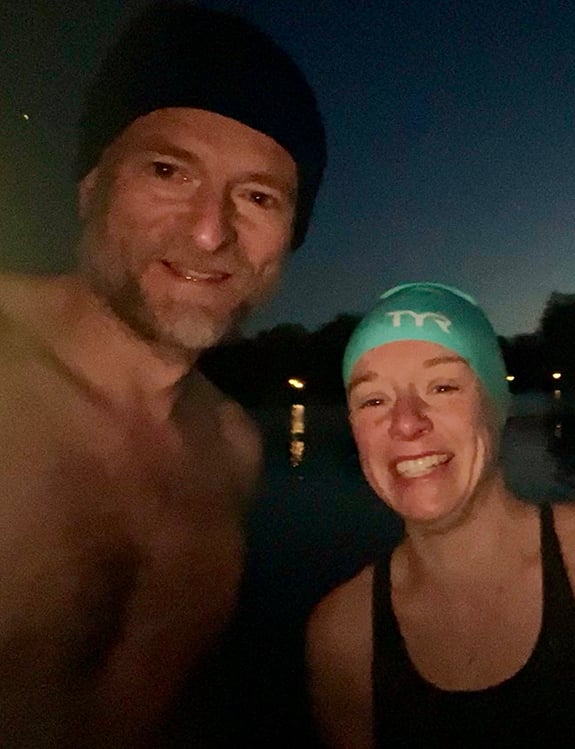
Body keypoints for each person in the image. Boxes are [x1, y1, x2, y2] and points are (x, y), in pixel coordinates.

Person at [0, 2, 326, 746]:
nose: (211, 230)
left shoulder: (234, 445)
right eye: (169, 170)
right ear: (92, 188)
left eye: (258, 196)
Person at [307, 283, 575, 748]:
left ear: (494, 406)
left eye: (442, 387)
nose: (405, 422)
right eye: (373, 399)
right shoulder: (343, 634)